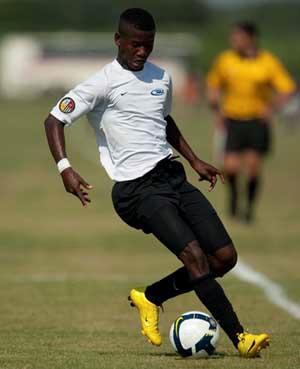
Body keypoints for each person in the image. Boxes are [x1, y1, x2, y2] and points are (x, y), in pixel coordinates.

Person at [44, 9, 269, 357]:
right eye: (135, 44)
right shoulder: (101, 82)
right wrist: (65, 168)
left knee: (224, 257)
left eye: (147, 45)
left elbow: (163, 121)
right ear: (119, 40)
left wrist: (194, 160)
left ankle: (150, 297)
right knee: (195, 256)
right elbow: (54, 119)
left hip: (172, 176)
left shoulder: (161, 78)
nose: (142, 51)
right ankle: (241, 338)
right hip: (136, 190)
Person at [207, 22, 296, 222]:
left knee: (254, 168)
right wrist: (216, 108)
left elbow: (287, 88)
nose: (233, 41)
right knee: (229, 167)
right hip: (232, 120)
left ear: (250, 38)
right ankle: (234, 197)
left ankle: (249, 209)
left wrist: (271, 107)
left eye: (237, 37)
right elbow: (213, 84)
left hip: (257, 121)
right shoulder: (226, 60)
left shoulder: (267, 62)